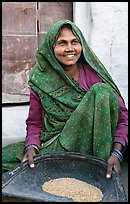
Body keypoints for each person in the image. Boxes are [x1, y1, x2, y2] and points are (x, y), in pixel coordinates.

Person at [2, 20, 128, 179]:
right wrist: (32, 147)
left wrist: (116, 153)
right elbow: (35, 122)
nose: (69, 48)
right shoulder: (41, 81)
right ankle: (61, 163)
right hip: (57, 144)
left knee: (102, 91)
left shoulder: (94, 76)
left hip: (93, 148)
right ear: (51, 48)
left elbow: (124, 118)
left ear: (82, 46)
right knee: (6, 157)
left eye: (74, 42)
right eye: (62, 43)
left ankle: (96, 168)